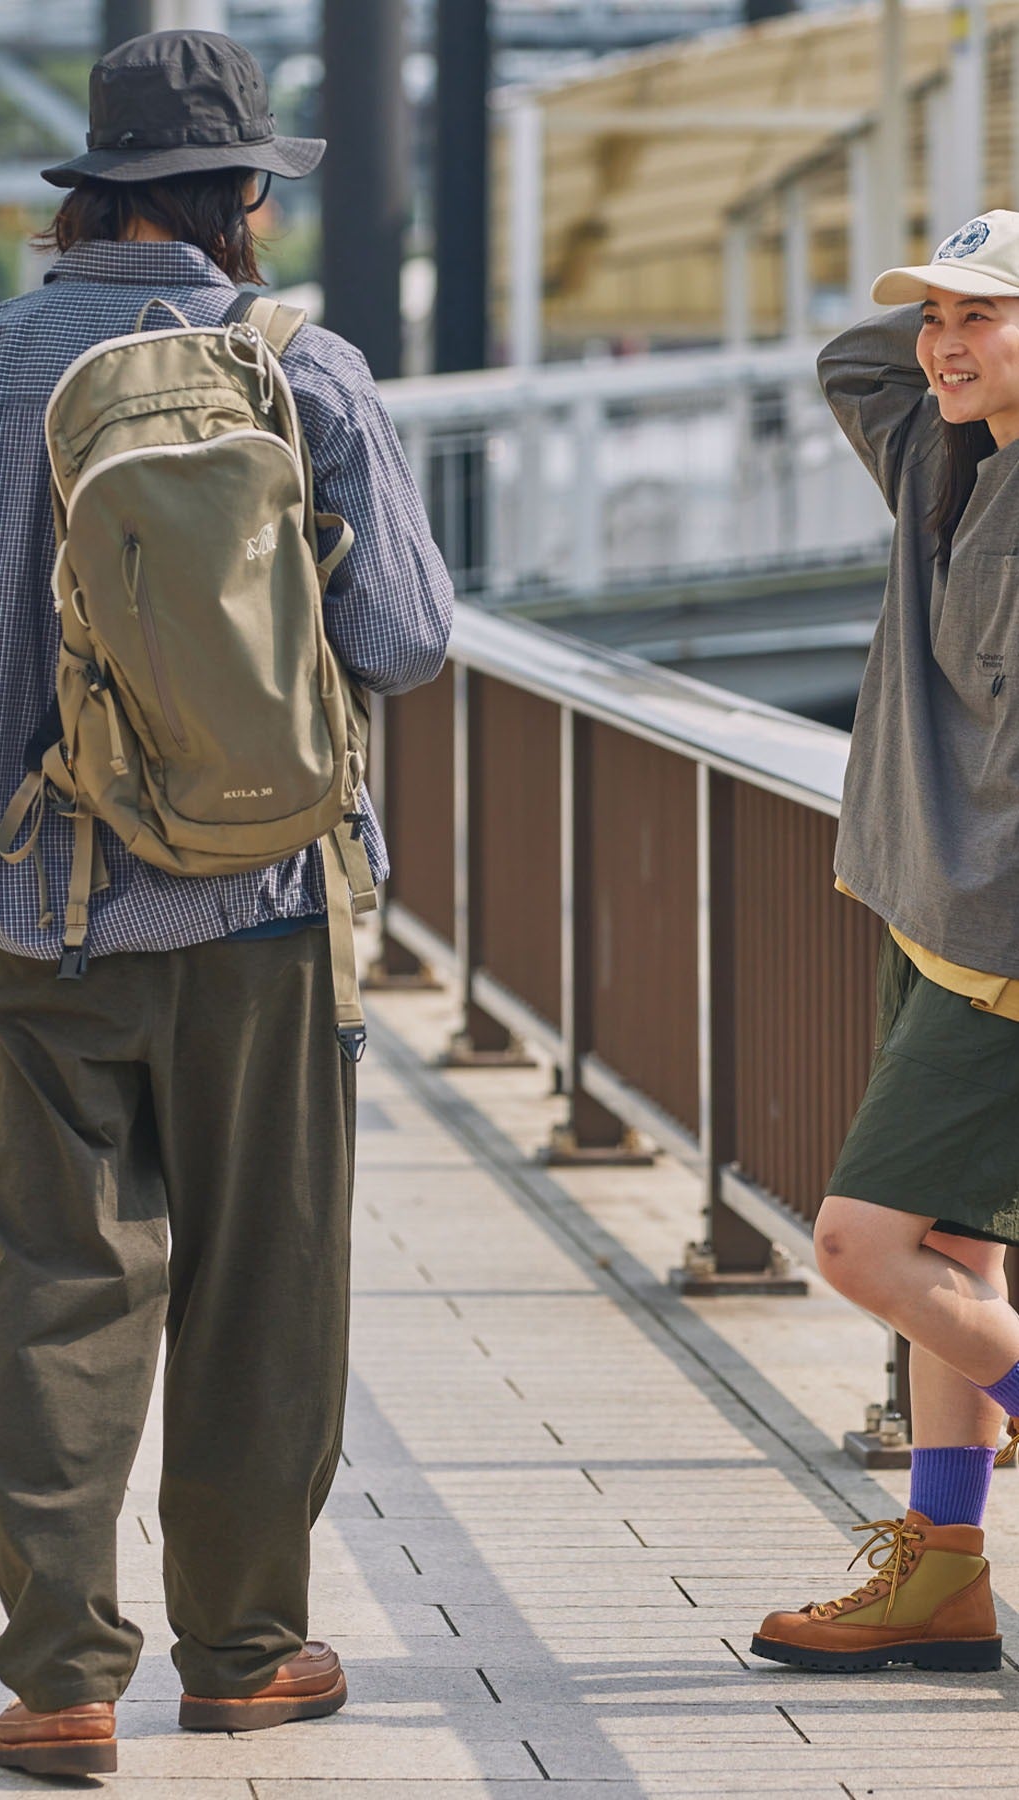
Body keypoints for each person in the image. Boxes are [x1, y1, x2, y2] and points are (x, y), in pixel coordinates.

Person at [0, 28, 452, 1778]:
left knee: (57, 1277)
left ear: (89, 191)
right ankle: (247, 1651)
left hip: (37, 922)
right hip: (259, 910)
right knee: (266, 1281)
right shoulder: (305, 370)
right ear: (242, 202)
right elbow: (409, 638)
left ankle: (60, 1675)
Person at [752, 209, 1019, 1674]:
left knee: (861, 1249)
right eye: (941, 317)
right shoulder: (934, 453)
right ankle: (944, 1569)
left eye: (982, 316)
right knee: (955, 1261)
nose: (942, 345)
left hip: (1006, 939)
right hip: (929, 903)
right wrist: (955, 332)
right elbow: (853, 359)